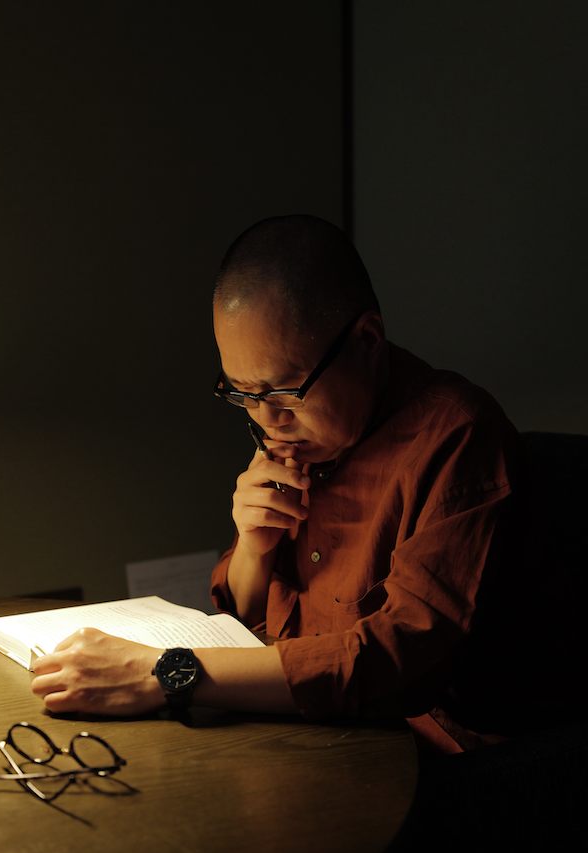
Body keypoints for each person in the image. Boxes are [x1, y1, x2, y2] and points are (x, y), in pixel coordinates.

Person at [31, 215, 559, 754]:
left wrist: (167, 673)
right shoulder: (293, 436)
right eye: (243, 393)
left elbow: (398, 662)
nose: (267, 420)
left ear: (367, 340)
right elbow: (246, 624)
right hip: (306, 728)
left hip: (436, 748)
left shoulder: (458, 437)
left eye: (284, 390)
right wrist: (253, 549)